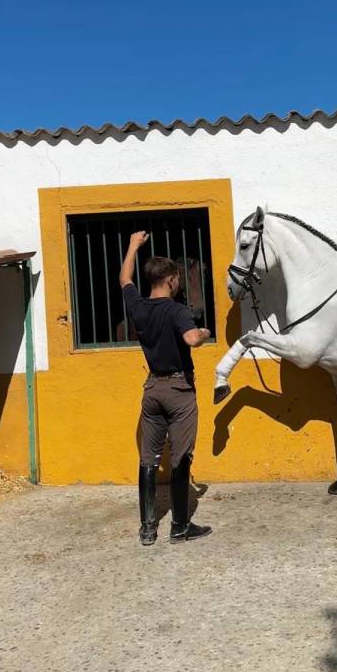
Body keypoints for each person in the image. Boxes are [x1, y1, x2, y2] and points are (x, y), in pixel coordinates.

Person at [119, 231, 212, 546]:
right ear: (171, 279)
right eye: (178, 278)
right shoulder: (178, 310)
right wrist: (203, 332)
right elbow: (190, 340)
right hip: (179, 391)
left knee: (148, 459)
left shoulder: (139, 308)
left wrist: (133, 245)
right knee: (180, 458)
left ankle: (147, 529)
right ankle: (180, 527)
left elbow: (123, 279)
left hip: (153, 389)